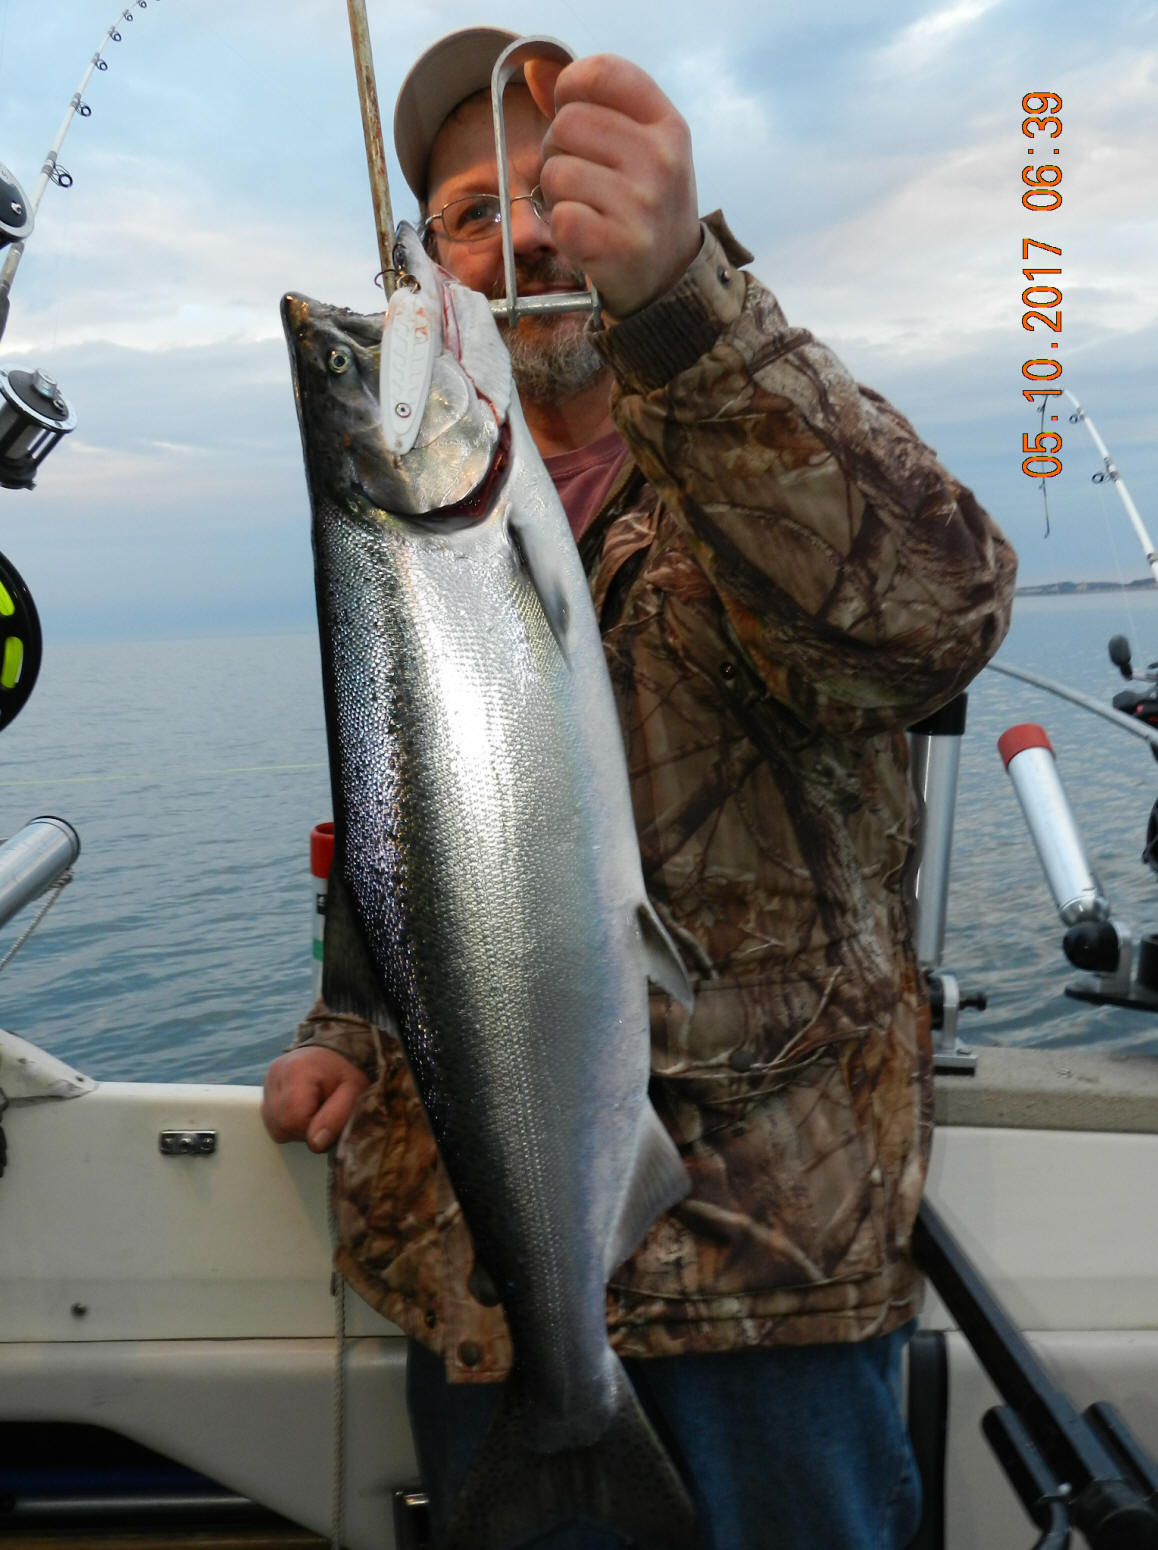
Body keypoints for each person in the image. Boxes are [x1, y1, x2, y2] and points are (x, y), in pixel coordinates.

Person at [262, 26, 1017, 1549]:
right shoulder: (425, 543)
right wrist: (352, 1023)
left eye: (552, 192)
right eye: (471, 213)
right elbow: (430, 826)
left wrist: (681, 304)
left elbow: (937, 622)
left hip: (761, 1297)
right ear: (437, 268)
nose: (524, 234)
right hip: (483, 1286)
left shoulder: (765, 456)